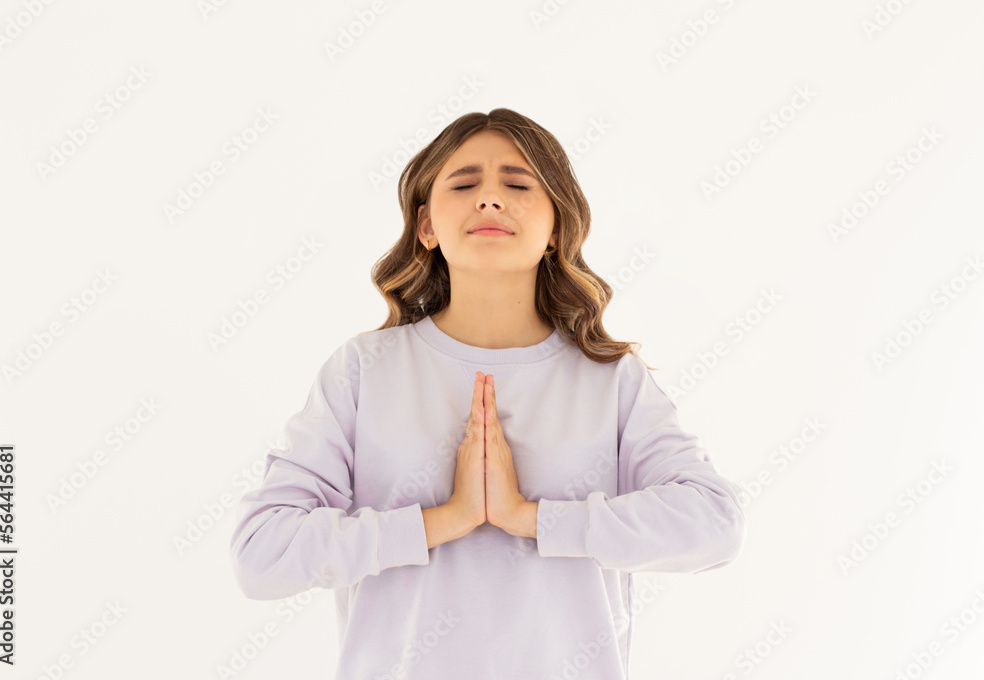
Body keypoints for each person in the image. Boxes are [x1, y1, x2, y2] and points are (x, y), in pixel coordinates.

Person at [229, 108, 747, 679]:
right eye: (466, 183)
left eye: (519, 184)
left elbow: (715, 526)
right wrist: (442, 521)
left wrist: (531, 519)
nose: (491, 200)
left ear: (556, 229)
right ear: (426, 226)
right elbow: (262, 554)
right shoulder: (364, 371)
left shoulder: (611, 380)